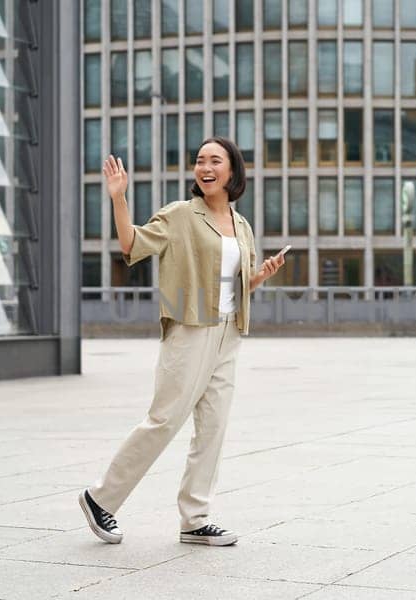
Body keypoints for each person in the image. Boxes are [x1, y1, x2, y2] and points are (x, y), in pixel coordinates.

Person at [79, 138, 285, 547]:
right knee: (164, 419)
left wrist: (259, 276)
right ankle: (100, 497)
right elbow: (132, 245)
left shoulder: (241, 225)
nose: (204, 167)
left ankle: (195, 517)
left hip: (230, 330)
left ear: (232, 172)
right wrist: (119, 199)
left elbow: (237, 283)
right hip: (191, 328)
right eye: (199, 161)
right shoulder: (180, 216)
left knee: (213, 428)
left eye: (215, 161)